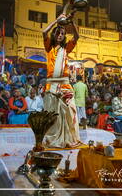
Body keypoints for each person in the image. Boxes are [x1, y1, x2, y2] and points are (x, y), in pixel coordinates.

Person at [42, 13, 80, 148]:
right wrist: (56, 21)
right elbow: (44, 31)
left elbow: (76, 37)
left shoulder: (66, 49)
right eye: (57, 32)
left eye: (62, 33)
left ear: (64, 36)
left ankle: (68, 138)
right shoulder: (49, 48)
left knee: (68, 111)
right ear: (54, 34)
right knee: (52, 114)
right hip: (51, 86)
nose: (60, 35)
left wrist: (72, 22)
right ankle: (53, 138)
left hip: (65, 85)